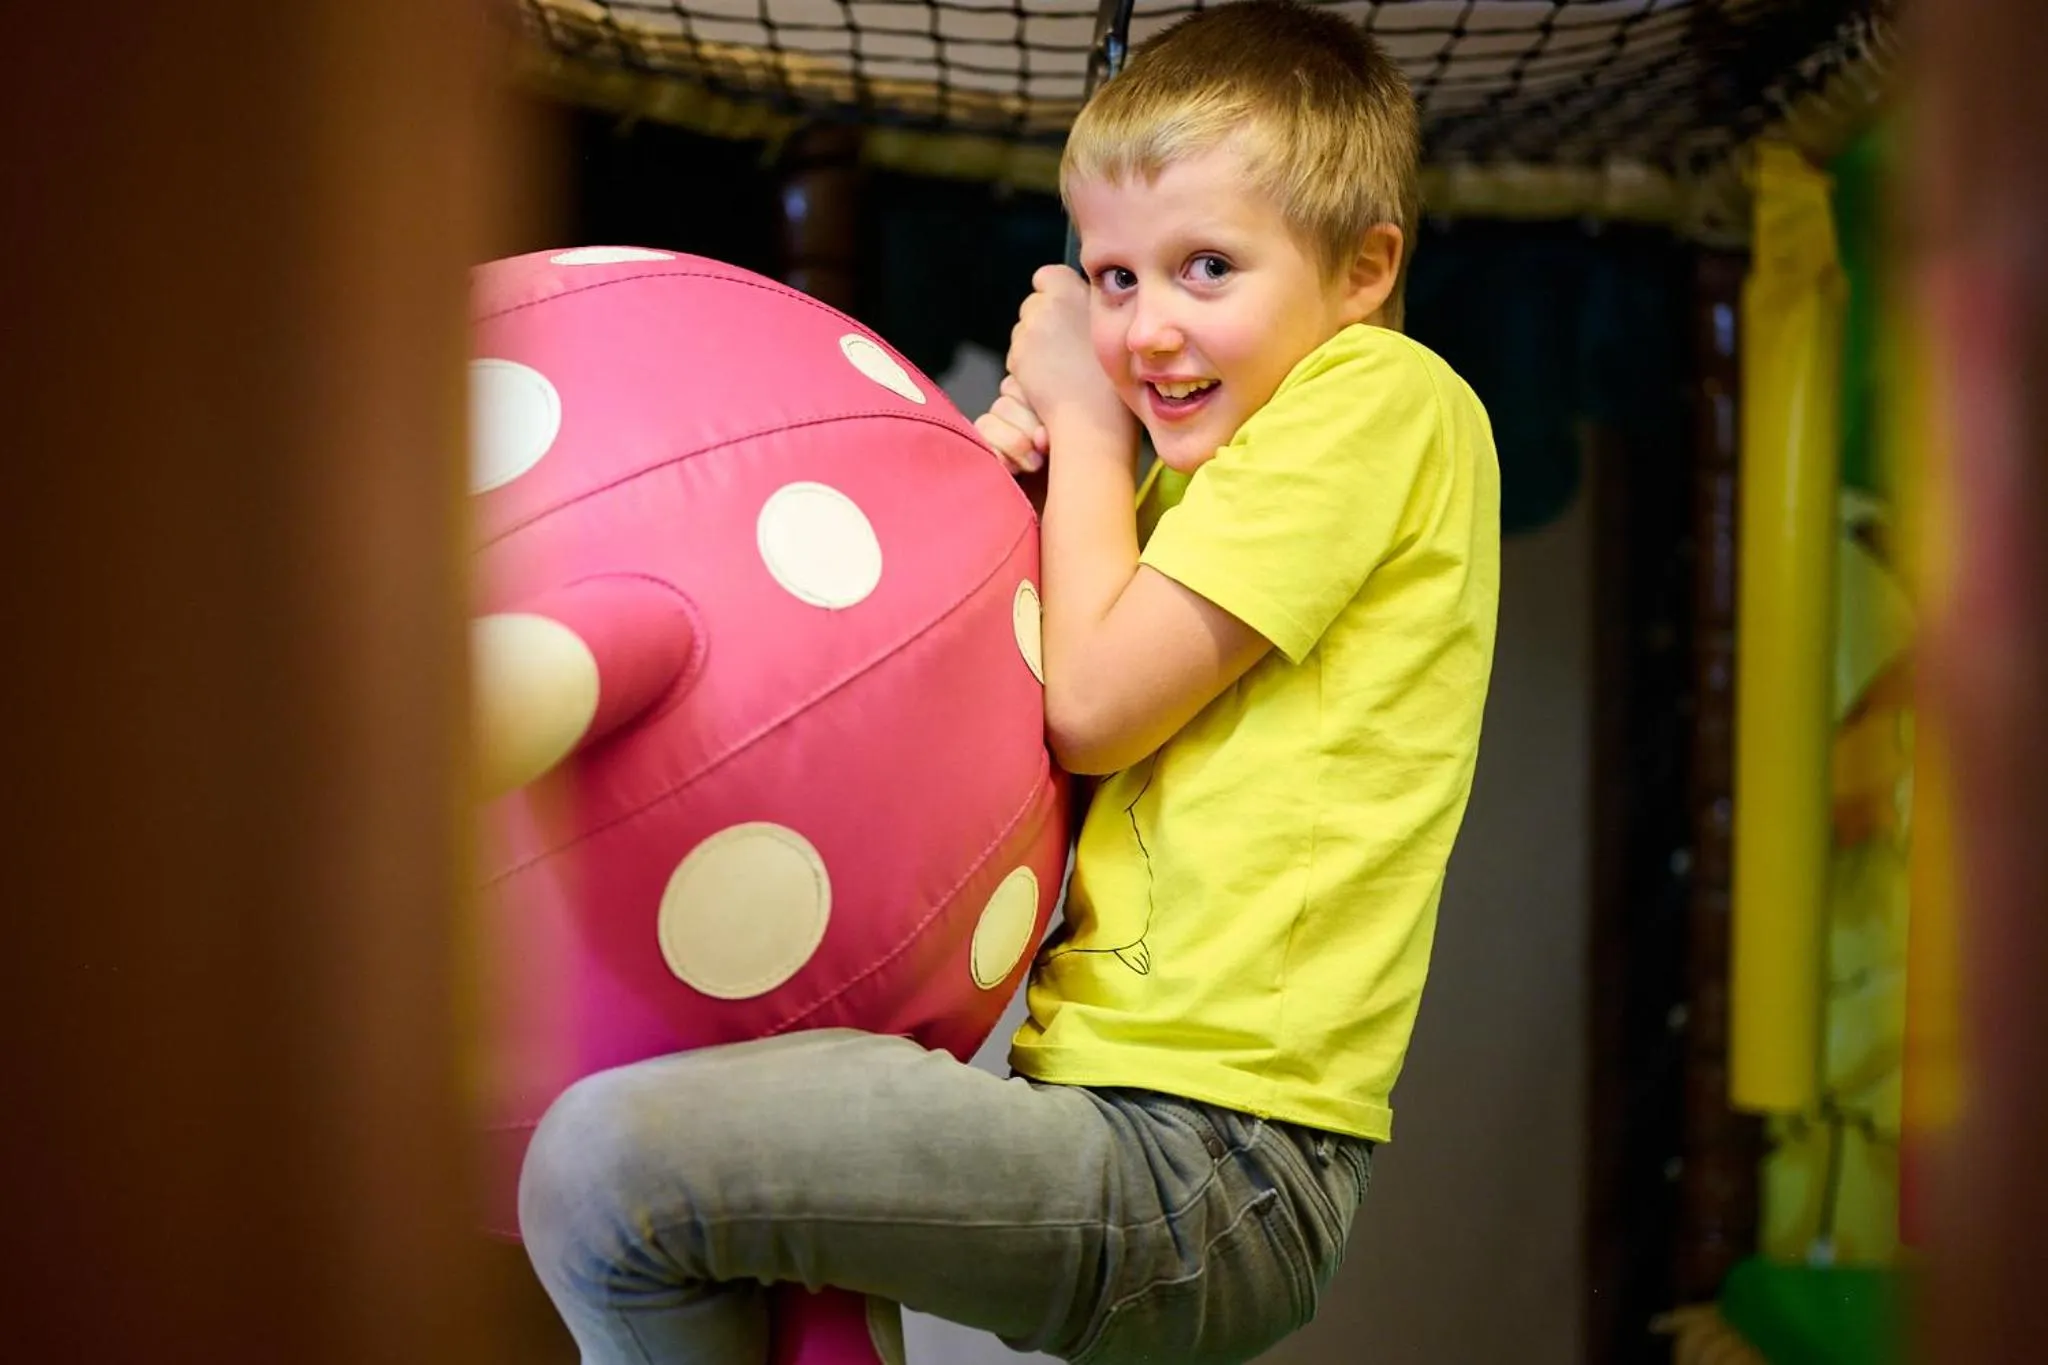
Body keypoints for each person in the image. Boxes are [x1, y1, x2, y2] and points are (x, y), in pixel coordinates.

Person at [516, 3, 1500, 1361]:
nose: (1149, 329)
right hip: (1136, 1125)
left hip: (1219, 1170)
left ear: (1363, 269)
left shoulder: (1385, 399)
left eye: (1205, 267)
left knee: (602, 1170)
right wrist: (1005, 496)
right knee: (726, 1164)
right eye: (1112, 278)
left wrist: (1088, 434)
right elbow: (998, 686)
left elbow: (1090, 702)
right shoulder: (1183, 492)